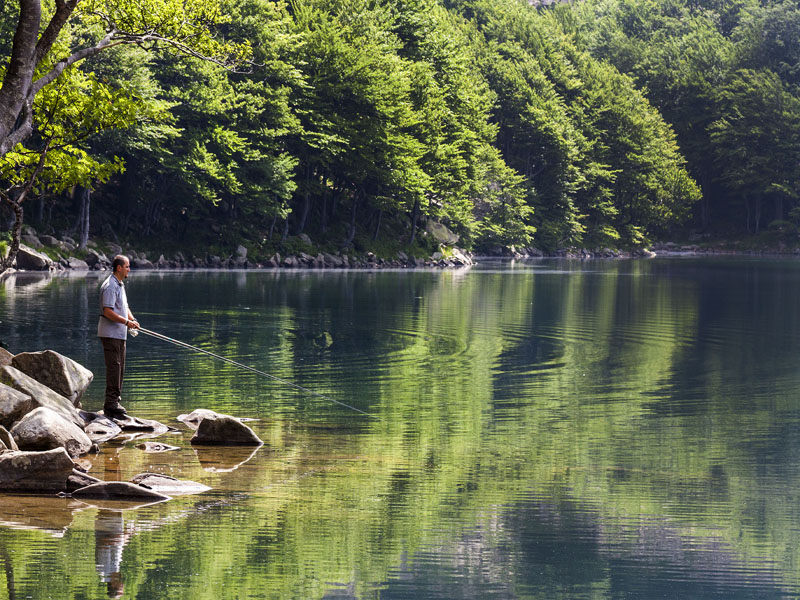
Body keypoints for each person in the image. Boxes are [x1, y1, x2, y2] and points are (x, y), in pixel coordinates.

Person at [97, 255, 139, 418]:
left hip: (120, 334)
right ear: (119, 268)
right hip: (110, 334)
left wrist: (132, 320)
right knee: (114, 368)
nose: (129, 269)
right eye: (127, 266)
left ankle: (115, 401)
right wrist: (126, 322)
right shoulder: (109, 286)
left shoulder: (119, 285)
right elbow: (107, 311)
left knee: (120, 368)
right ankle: (111, 404)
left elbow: (124, 306)